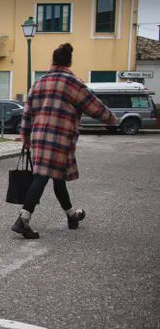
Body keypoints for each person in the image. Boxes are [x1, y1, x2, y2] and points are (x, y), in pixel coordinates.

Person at [13, 43, 118, 239]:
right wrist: (112, 119)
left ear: (53, 61)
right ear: (69, 62)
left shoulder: (39, 82)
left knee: (57, 178)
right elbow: (94, 106)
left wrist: (25, 136)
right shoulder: (72, 83)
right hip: (59, 138)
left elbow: (27, 112)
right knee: (42, 177)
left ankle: (72, 216)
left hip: (39, 137)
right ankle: (23, 220)